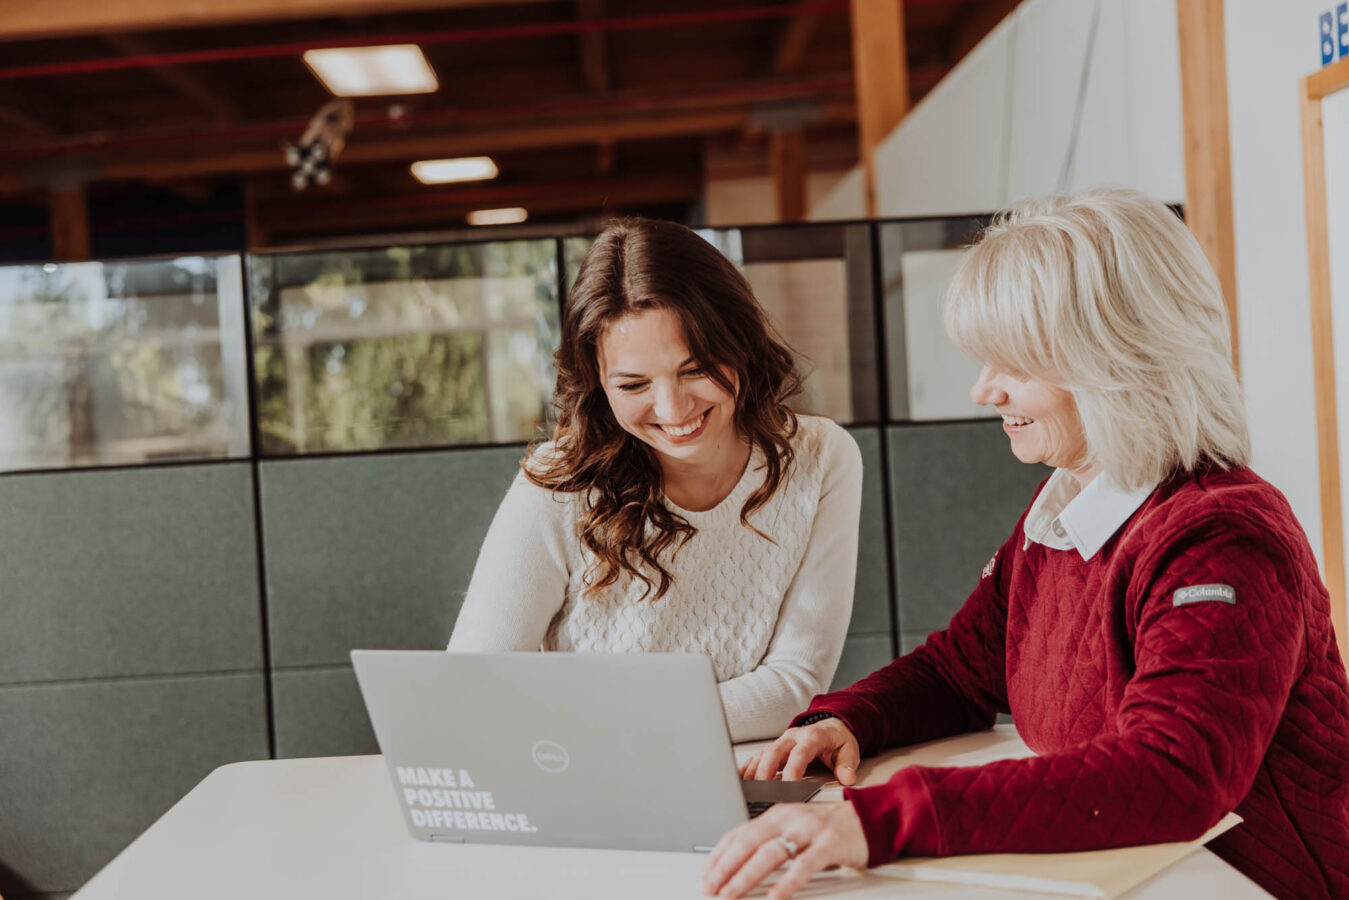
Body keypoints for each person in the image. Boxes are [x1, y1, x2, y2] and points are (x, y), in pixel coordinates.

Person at [703, 188, 1349, 900]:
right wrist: (848, 718)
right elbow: (959, 671)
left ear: (1116, 363)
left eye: (1013, 366)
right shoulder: (1068, 508)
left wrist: (879, 821)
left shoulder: (1221, 538)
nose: (984, 391)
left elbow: (1173, 773)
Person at [448, 216, 864, 742]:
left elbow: (794, 685)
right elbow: (472, 684)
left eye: (695, 370)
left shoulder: (821, 457)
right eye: (634, 383)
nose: (672, 408)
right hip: (591, 777)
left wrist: (597, 723)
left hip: (746, 778)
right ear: (598, 383)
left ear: (739, 343)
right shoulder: (560, 483)